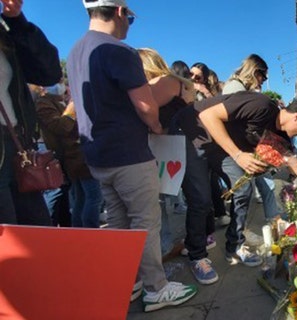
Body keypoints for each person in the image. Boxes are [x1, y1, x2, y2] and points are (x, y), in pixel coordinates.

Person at [67, 0, 197, 311]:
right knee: (145, 220)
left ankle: (128, 281)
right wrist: (156, 126)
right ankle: (156, 288)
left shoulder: (74, 53)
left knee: (118, 222)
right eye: (131, 18)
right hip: (129, 152)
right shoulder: (118, 50)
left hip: (97, 155)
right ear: (121, 12)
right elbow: (146, 106)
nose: (129, 25)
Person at [197, 92, 297, 267]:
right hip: (198, 135)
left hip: (220, 148)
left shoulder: (283, 138)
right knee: (201, 200)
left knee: (242, 188)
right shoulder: (261, 105)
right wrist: (238, 155)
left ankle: (233, 245)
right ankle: (197, 254)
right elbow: (207, 115)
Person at [137, 48, 218, 285]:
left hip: (178, 147)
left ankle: (196, 253)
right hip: (165, 149)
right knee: (178, 204)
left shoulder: (169, 82)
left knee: (198, 200)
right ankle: (190, 251)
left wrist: (156, 128)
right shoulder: (175, 84)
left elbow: (146, 110)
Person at [0, 0, 62, 225]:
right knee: (9, 242)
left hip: (17, 147)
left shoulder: (5, 31)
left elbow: (49, 72)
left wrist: (16, 19)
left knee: (37, 231)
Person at [222, 53, 282, 222]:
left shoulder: (240, 88)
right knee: (243, 193)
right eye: (263, 75)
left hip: (246, 148)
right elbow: (236, 123)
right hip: (239, 150)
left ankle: (273, 219)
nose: (264, 79)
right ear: (255, 71)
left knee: (262, 185)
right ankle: (237, 238)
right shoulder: (234, 88)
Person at [36, 83, 103, 228]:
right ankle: (89, 231)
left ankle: (79, 230)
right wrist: (71, 110)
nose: (61, 85)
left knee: (82, 198)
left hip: (77, 156)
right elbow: (60, 127)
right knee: (93, 197)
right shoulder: (44, 103)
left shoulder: (60, 101)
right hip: (75, 157)